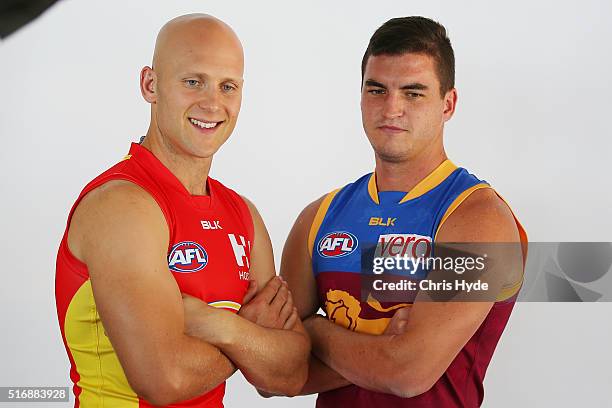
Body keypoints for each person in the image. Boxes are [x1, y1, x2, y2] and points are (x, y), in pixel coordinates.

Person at [55, 14, 309, 407]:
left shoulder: (243, 215)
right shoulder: (123, 205)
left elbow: (288, 375)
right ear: (150, 85)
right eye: (193, 82)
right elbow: (163, 379)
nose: (212, 103)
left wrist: (222, 326)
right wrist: (250, 335)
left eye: (228, 86)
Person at [281, 16, 527, 407]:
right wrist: (380, 342)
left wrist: (315, 330)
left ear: (448, 104)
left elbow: (407, 373)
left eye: (413, 93)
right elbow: (273, 374)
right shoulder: (318, 218)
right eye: (377, 90)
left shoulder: (478, 218)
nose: (391, 108)